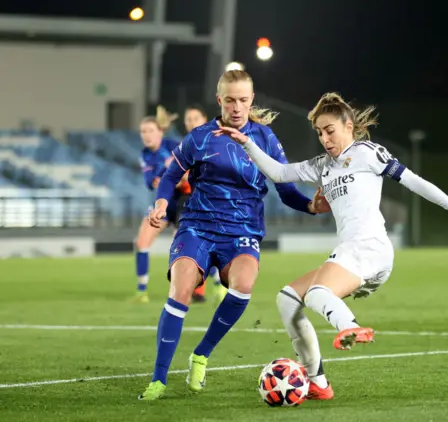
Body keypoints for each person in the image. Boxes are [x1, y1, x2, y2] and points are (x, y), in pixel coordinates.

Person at [217, 92, 448, 400]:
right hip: (352, 253)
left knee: (319, 293)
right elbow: (279, 172)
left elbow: (414, 182)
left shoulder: (367, 153)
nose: (324, 138)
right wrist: (245, 143)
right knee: (288, 300)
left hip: (370, 247)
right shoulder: (322, 166)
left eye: (329, 130)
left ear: (348, 125)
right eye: (319, 133)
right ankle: (318, 382)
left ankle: (351, 327)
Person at [138, 70, 330, 400]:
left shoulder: (265, 138)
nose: (237, 107)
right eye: (230, 100)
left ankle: (201, 354)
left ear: (251, 100)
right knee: (181, 288)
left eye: (243, 100)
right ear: (220, 101)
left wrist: (311, 207)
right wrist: (159, 204)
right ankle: (158, 379)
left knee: (244, 284)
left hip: (242, 232)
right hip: (197, 225)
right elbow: (170, 177)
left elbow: (285, 190)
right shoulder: (200, 137)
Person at [134, 116, 190, 304]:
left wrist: (177, 176)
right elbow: (152, 183)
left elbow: (189, 175)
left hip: (183, 202)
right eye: (143, 131)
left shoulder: (175, 145)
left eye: (150, 130)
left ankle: (215, 286)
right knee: (141, 243)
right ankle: (142, 291)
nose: (146, 135)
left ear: (160, 132)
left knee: (183, 250)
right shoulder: (145, 154)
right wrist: (165, 170)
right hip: (162, 204)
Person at [182, 104, 225, 305]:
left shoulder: (213, 141)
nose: (191, 122)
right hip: (191, 202)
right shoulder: (185, 144)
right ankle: (202, 289)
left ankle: (214, 285)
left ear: (204, 119)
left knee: (207, 244)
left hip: (212, 200)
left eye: (195, 118)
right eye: (188, 119)